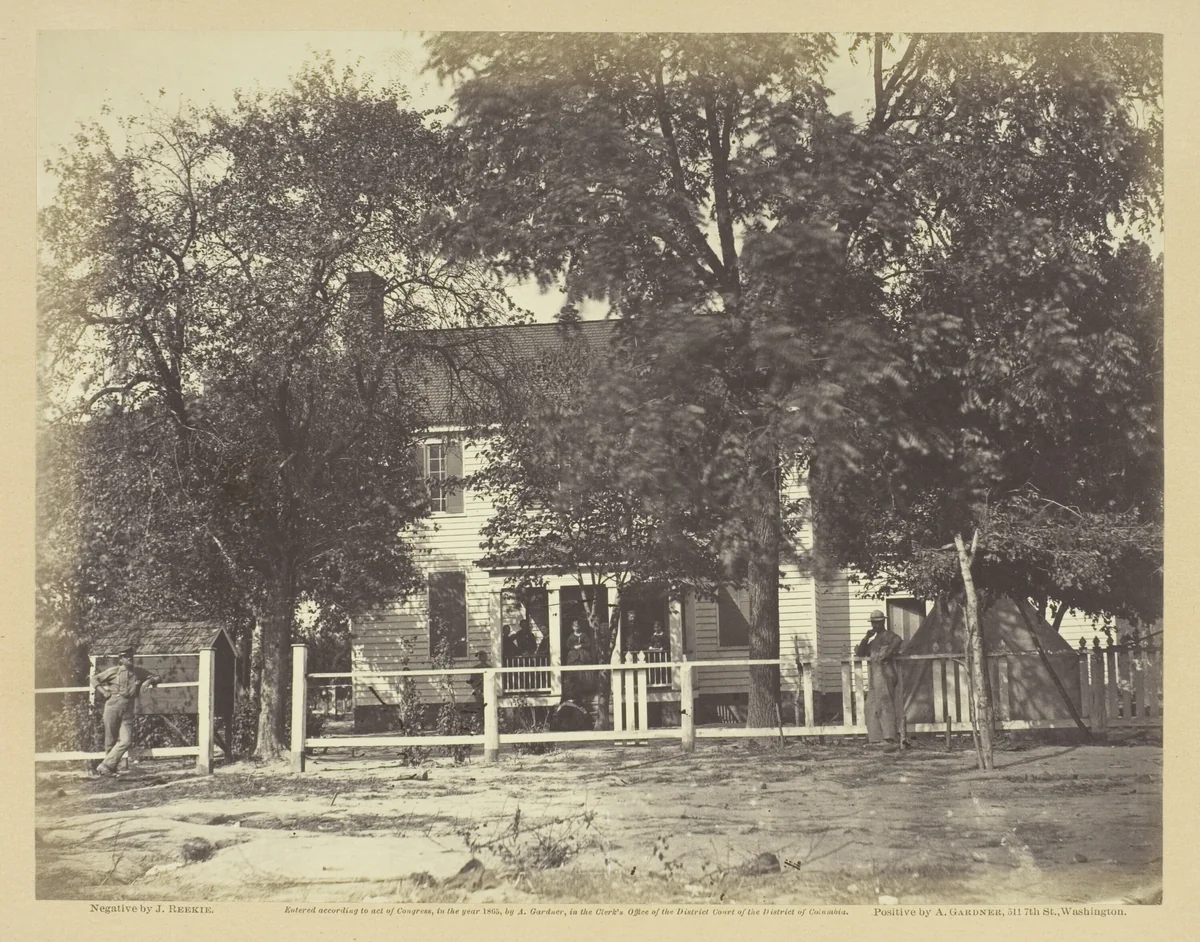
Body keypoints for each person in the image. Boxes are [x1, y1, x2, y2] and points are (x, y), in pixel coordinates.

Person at [90, 645, 161, 776]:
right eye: (125, 657)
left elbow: (158, 677)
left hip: (128, 707)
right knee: (110, 739)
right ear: (120, 659)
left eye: (131, 656)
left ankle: (105, 765)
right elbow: (94, 679)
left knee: (127, 740)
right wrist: (103, 691)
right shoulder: (113, 671)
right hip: (112, 705)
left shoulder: (138, 672)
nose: (129, 659)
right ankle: (109, 770)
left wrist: (148, 681)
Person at [854, 610, 904, 747]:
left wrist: (886, 654)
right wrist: (866, 638)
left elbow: (898, 640)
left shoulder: (888, 635)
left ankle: (889, 738)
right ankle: (875, 738)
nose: (875, 625)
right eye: (873, 623)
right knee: (870, 705)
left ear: (883, 622)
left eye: (877, 622)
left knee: (884, 704)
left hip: (885, 673)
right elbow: (860, 653)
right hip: (874, 675)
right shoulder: (874, 640)